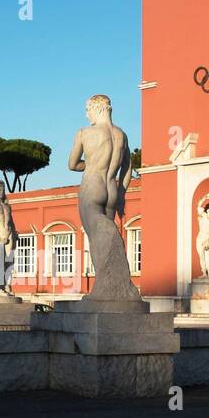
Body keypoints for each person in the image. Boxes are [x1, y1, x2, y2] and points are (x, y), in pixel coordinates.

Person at [66, 94, 141, 302]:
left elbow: (72, 164)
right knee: (108, 237)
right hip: (111, 191)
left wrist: (89, 165)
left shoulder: (84, 133)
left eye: (88, 109)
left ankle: (103, 289)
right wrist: (122, 196)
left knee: (97, 239)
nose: (86, 114)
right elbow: (127, 167)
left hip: (93, 186)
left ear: (98, 108)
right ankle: (116, 290)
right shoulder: (121, 135)